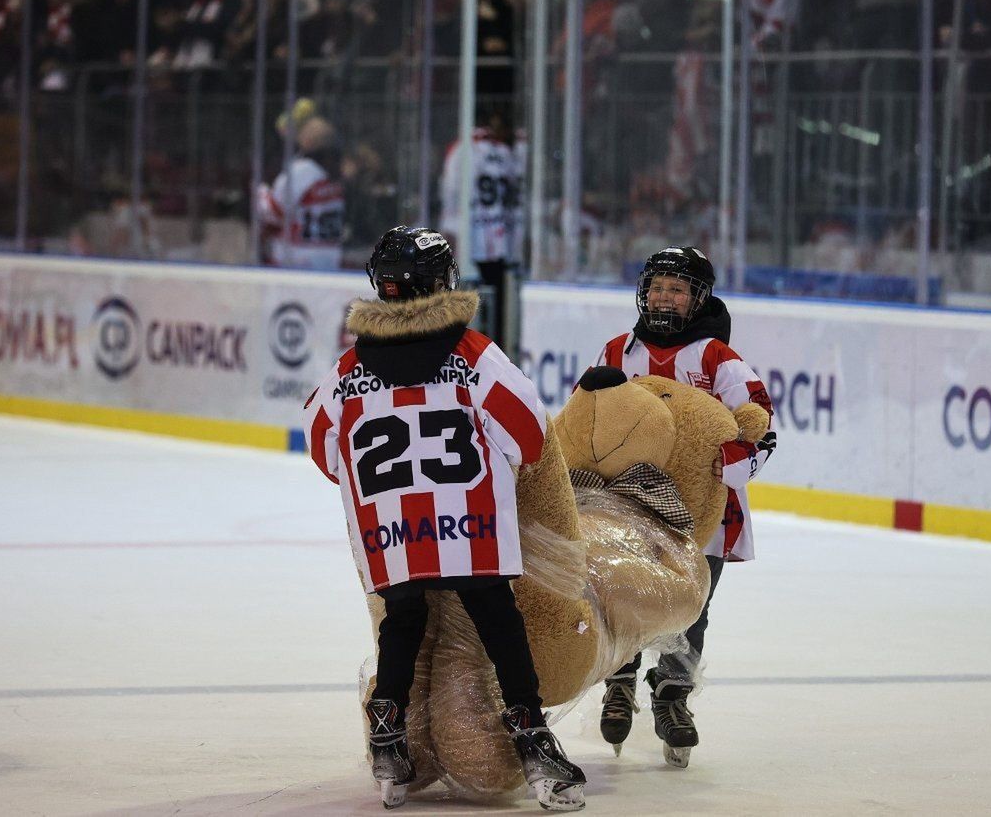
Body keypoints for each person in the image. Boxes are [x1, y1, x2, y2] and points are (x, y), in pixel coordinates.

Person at [303, 226, 586, 811]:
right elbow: (529, 435)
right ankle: (533, 739)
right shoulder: (474, 355)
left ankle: (388, 737)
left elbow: (323, 446)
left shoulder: (348, 369)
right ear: (441, 283)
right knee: (498, 621)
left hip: (394, 531)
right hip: (469, 525)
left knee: (403, 620)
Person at [590, 245, 776, 768]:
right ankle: (619, 681)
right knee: (622, 592)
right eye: (657, 287)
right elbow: (590, 416)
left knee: (692, 605)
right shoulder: (617, 351)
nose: (664, 297)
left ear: (697, 298)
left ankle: (672, 696)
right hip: (630, 502)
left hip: (704, 509)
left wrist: (740, 460)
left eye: (677, 289)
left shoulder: (716, 356)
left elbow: (759, 420)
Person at [438, 104, 525, 347]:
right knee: (496, 301)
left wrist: (449, 231)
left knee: (466, 302)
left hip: (472, 239)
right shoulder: (508, 152)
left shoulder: (463, 149)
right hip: (500, 239)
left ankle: (467, 349)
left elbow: (450, 192)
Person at [257, 99, 345, 270]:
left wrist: (261, 191)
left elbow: (272, 212)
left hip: (297, 260)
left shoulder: (302, 171)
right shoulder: (334, 177)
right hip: (329, 259)